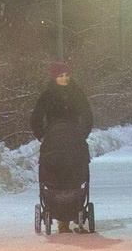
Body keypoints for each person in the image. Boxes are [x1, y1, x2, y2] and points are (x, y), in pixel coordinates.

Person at [30, 61, 94, 232]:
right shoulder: (47, 95)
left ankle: (75, 214)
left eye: (66, 75)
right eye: (61, 75)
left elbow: (87, 114)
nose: (64, 78)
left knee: (74, 175)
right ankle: (63, 221)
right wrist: (42, 135)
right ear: (54, 77)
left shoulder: (76, 93)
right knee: (56, 177)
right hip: (54, 140)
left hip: (73, 140)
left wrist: (83, 134)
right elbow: (36, 117)